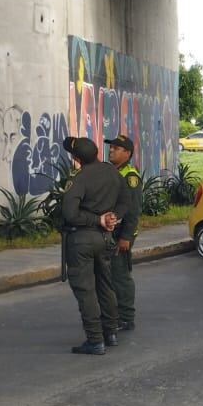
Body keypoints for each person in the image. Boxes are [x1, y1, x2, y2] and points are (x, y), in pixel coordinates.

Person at [60, 137, 130, 355]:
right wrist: (113, 218)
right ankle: (111, 332)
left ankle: (95, 339)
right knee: (105, 285)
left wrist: (97, 220)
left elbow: (70, 214)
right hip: (105, 240)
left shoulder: (79, 178)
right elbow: (126, 201)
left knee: (85, 290)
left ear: (77, 159)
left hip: (82, 240)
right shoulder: (112, 172)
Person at [106, 134, 141, 332]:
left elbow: (133, 210)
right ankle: (114, 314)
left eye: (117, 148)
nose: (111, 150)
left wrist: (125, 238)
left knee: (120, 275)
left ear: (127, 154)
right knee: (110, 275)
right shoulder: (112, 171)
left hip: (122, 234)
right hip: (110, 231)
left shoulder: (130, 177)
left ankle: (127, 317)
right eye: (111, 147)